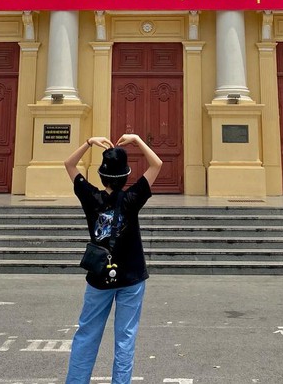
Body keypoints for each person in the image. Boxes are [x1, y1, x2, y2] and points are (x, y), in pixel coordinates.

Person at [63, 133, 163, 384]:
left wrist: (88, 143)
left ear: (101, 175)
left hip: (99, 276)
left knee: (87, 334)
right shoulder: (132, 199)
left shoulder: (90, 197)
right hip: (131, 276)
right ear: (127, 175)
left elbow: (69, 165)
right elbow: (157, 165)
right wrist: (138, 140)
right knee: (125, 338)